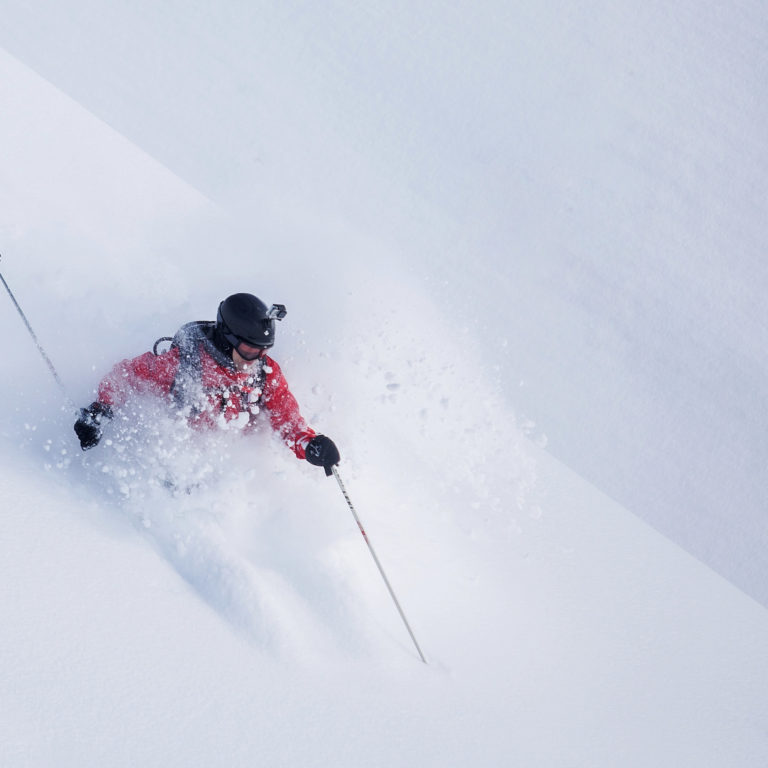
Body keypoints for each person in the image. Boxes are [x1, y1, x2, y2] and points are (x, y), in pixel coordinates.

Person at [73, 293, 341, 476]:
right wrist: (101, 410)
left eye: (263, 350)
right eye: (249, 349)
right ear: (228, 338)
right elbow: (127, 375)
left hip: (230, 469)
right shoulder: (185, 364)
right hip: (178, 461)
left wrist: (310, 445)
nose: (257, 358)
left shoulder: (263, 372)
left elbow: (286, 418)